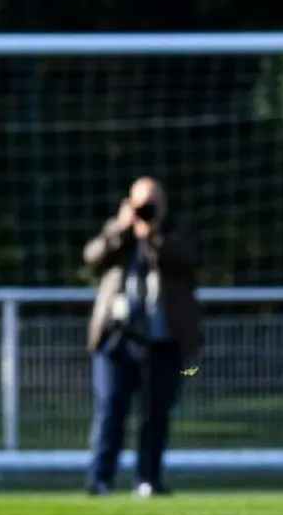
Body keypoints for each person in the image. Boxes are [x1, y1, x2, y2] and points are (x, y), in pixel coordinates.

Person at [82, 177, 202, 498]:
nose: (146, 210)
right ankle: (100, 479)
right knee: (110, 408)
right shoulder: (118, 231)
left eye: (152, 203)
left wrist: (155, 236)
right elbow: (92, 257)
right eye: (141, 204)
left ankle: (148, 480)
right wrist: (122, 229)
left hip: (163, 340)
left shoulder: (176, 232)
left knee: (155, 412)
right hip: (117, 338)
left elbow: (190, 260)